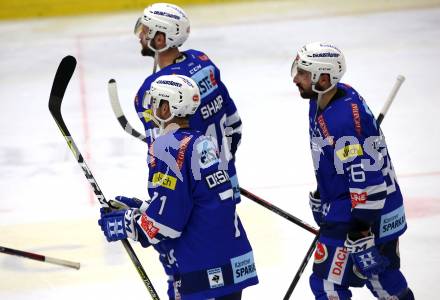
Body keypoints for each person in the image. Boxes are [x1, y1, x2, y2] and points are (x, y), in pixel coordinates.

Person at [99, 75, 258, 300]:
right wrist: (144, 208)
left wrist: (126, 224)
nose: (149, 109)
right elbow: (191, 205)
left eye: (154, 102)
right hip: (232, 264)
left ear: (166, 108)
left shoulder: (171, 150)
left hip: (202, 272)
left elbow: (166, 225)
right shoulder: (202, 142)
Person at [291, 42, 414, 299]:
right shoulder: (329, 97)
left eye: (303, 73)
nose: (296, 78)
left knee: (327, 284)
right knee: (383, 278)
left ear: (323, 78)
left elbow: (367, 180)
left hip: (362, 213)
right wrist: (324, 191)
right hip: (380, 205)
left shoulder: (342, 120)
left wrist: (360, 228)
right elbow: (341, 159)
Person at [133, 2, 242, 202]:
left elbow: (160, 157)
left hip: (190, 197)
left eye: (146, 30)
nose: (140, 35)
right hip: (225, 182)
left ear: (160, 38)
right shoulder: (202, 61)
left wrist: (158, 203)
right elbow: (235, 125)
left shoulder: (153, 91)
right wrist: (222, 167)